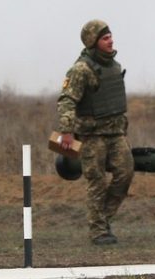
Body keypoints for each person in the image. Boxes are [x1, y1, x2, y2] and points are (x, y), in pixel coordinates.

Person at [55, 19, 134, 245]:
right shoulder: (80, 70)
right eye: (105, 38)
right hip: (92, 136)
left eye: (110, 37)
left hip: (116, 134)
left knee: (125, 173)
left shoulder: (113, 66)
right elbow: (67, 101)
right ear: (93, 41)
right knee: (96, 181)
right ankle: (98, 231)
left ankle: (103, 219)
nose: (111, 41)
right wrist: (66, 131)